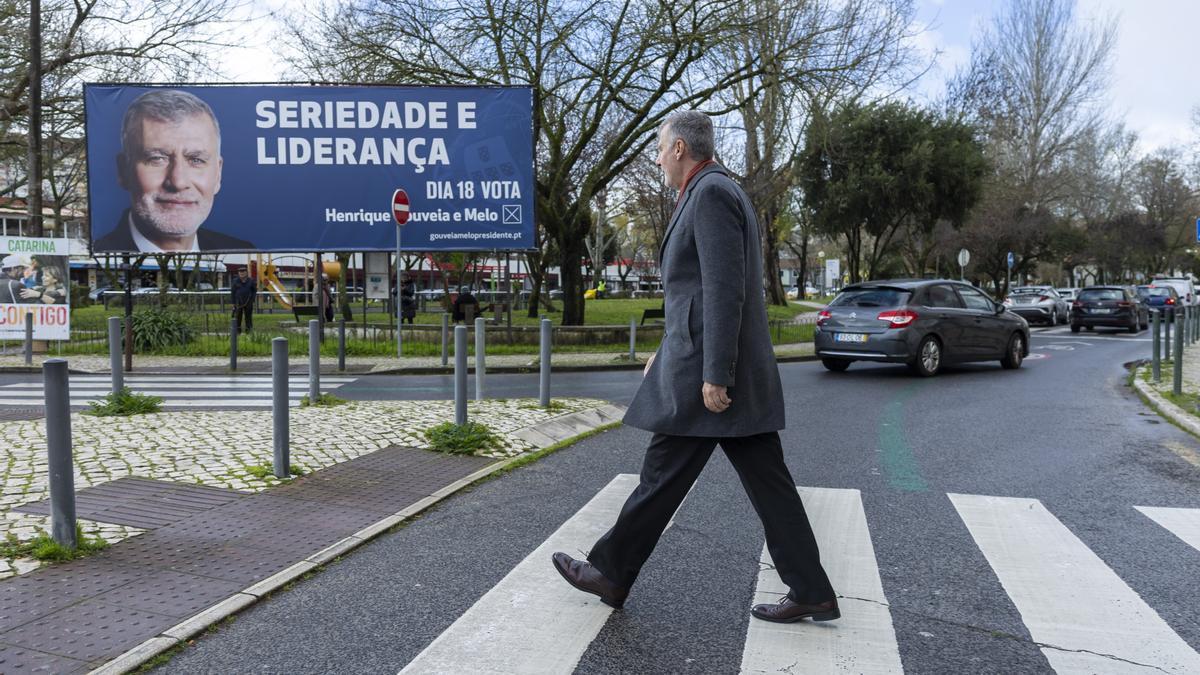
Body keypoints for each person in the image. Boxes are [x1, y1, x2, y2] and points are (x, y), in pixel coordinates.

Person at [552, 111, 839, 624]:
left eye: (661, 149)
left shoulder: (709, 194)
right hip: (709, 366)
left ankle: (611, 573)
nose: (658, 159)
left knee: (664, 476)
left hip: (713, 378)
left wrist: (716, 374)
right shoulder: (715, 190)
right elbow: (699, 291)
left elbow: (725, 290)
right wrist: (666, 349)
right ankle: (811, 590)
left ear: (681, 148)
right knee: (759, 484)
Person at [93, 89, 255, 253]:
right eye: (157, 158)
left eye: (196, 160)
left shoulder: (243, 251)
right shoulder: (101, 252)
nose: (178, 182)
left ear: (218, 174)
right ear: (123, 170)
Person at [230, 267, 256, 332]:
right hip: (238, 302)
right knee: (238, 317)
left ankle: (249, 331)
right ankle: (238, 332)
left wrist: (252, 299)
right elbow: (233, 292)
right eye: (240, 272)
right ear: (238, 273)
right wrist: (233, 303)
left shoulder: (251, 281)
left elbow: (254, 290)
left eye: (243, 272)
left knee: (248, 317)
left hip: (248, 302)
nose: (241, 273)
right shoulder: (235, 281)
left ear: (246, 273)